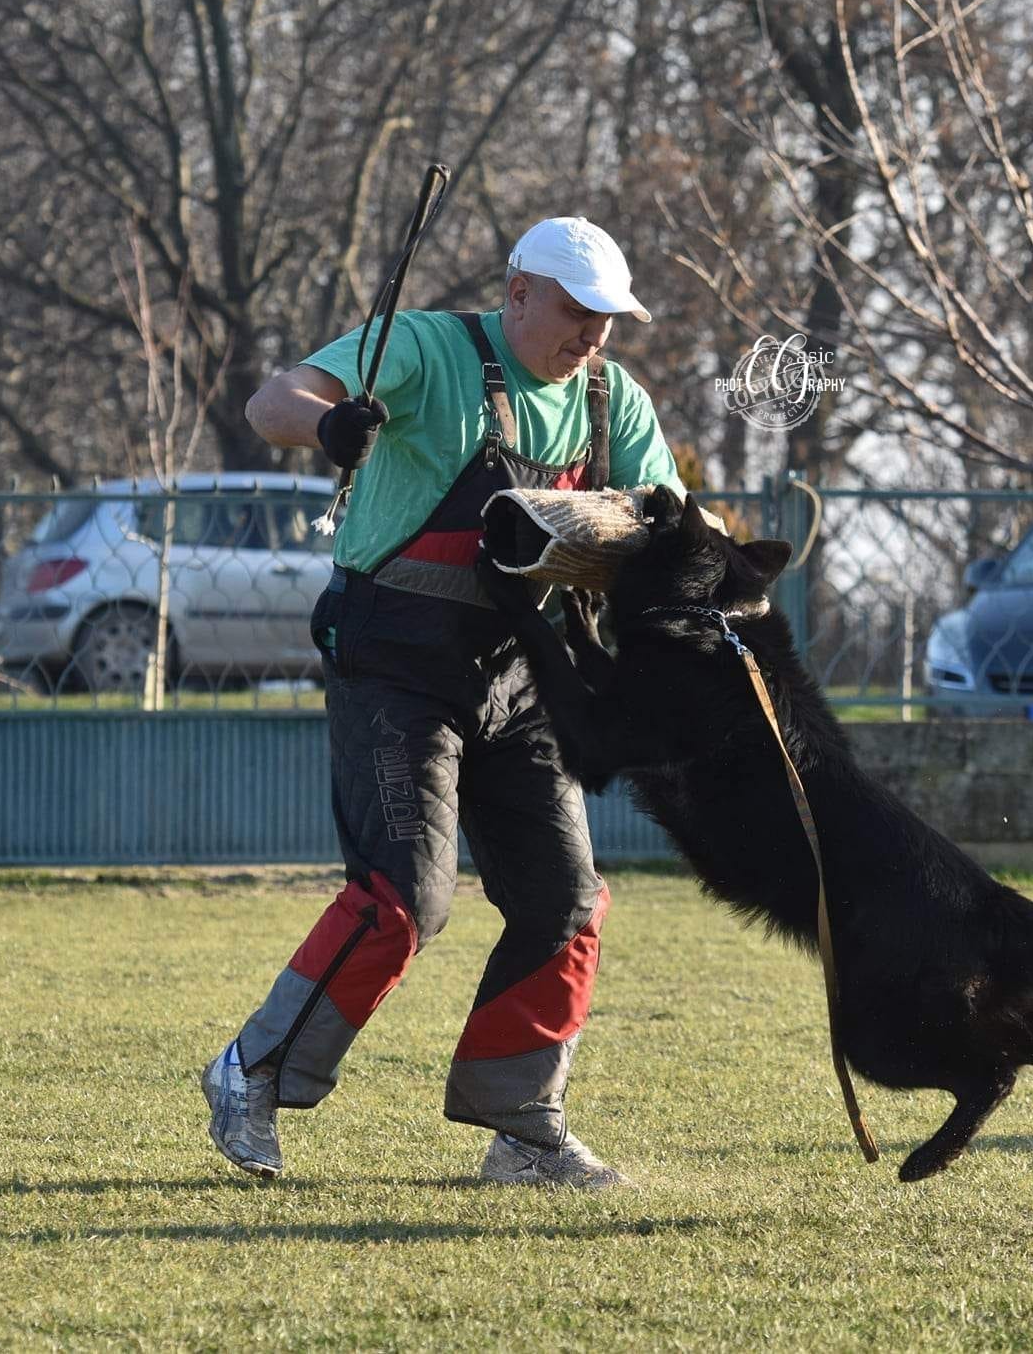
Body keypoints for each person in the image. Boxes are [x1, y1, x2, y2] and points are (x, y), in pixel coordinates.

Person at [200, 217, 682, 1189]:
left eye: (605, 320)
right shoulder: (427, 348)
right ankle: (249, 1072)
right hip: (391, 659)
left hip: (519, 672)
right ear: (515, 293)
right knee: (403, 900)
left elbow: (660, 509)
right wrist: (329, 427)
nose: (590, 336)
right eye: (574, 312)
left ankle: (523, 1128)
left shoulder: (608, 396)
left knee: (566, 901)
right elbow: (273, 400)